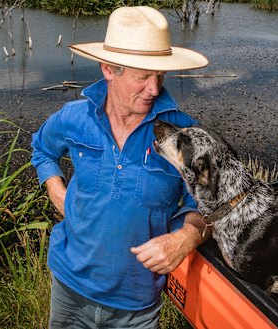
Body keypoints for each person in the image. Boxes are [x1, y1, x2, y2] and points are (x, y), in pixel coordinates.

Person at [31, 6, 209, 328]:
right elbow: (42, 149)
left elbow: (211, 204)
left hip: (137, 308)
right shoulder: (74, 117)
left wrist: (186, 237)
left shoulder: (185, 136)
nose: (154, 89)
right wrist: (55, 188)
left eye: (160, 76)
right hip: (69, 288)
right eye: (142, 77)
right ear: (108, 70)